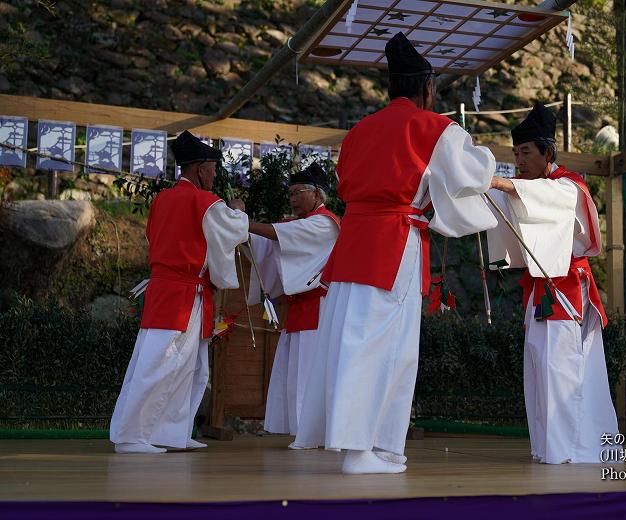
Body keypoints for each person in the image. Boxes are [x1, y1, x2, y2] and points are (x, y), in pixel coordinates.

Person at [293, 32, 498, 474]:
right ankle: (360, 449)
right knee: (383, 345)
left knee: (350, 339)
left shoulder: (357, 132)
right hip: (392, 243)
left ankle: (379, 444)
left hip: (353, 243)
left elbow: (348, 182)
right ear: (427, 88)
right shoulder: (433, 127)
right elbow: (476, 169)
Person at [487, 103, 619, 464]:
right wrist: (483, 188)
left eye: (526, 153)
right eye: (515, 154)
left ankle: (571, 450)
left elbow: (544, 199)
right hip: (541, 292)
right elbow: (505, 201)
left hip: (566, 291)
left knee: (562, 371)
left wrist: (501, 183)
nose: (519, 161)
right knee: (540, 369)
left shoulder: (567, 187)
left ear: (548, 151)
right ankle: (549, 447)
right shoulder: (529, 188)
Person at [110, 131, 249, 454]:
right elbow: (234, 230)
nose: (214, 175)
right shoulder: (204, 202)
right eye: (212, 168)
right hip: (183, 292)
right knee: (162, 361)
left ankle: (170, 432)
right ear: (200, 168)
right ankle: (132, 435)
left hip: (172, 288)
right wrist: (239, 210)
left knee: (187, 365)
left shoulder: (162, 200)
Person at [234, 162, 340, 444]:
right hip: (301, 308)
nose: (292, 199)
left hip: (319, 308)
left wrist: (241, 223)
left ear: (317, 194)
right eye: (290, 193)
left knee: (307, 373)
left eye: (298, 192)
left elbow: (279, 236)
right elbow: (266, 242)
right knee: (293, 372)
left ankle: (311, 434)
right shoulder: (298, 224)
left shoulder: (326, 223)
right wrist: (239, 226)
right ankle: (300, 430)